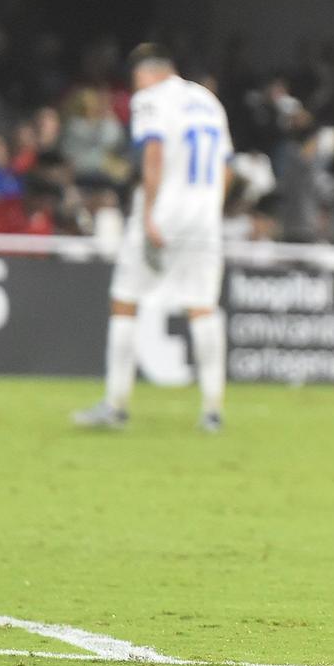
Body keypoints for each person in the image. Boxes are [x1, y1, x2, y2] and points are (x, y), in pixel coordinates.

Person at [74, 45, 233, 433]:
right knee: (203, 308)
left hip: (162, 214)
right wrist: (210, 209)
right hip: (204, 220)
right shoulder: (208, 101)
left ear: (146, 75)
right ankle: (212, 410)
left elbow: (154, 154)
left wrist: (148, 214)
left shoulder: (150, 99)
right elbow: (227, 168)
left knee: (126, 300)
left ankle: (115, 404)